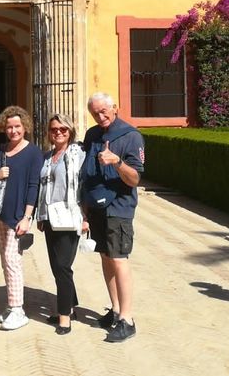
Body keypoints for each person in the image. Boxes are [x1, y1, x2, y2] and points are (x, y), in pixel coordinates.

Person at [81, 92, 145, 343]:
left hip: (119, 207)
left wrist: (117, 162)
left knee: (119, 260)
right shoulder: (92, 135)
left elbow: (135, 179)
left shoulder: (131, 136)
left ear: (114, 108)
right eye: (95, 113)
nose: (100, 116)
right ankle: (116, 309)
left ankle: (128, 319)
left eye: (104, 111)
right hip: (96, 204)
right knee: (106, 258)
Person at [0, 105, 43, 331]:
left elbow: (33, 186)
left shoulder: (34, 152)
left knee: (12, 258)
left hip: (18, 214)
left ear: (24, 127)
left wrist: (27, 217)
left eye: (17, 126)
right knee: (5, 258)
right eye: (9, 127)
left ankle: (18, 309)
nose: (13, 131)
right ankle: (11, 304)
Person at [36, 113, 87, 335]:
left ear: (70, 132)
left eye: (63, 129)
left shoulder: (77, 154)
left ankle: (64, 317)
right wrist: (40, 215)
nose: (58, 132)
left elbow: (85, 186)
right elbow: (43, 187)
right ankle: (71, 306)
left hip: (70, 216)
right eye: (54, 129)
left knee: (63, 267)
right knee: (58, 267)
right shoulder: (47, 157)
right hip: (49, 217)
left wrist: (86, 217)